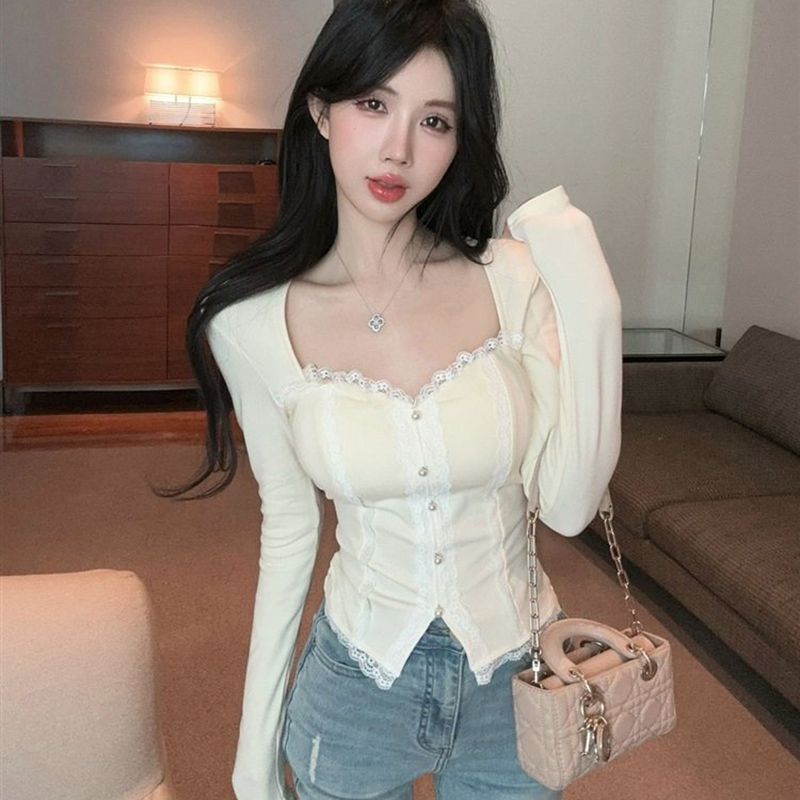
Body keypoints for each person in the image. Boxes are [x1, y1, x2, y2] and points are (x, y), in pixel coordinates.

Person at [158, 1, 622, 798]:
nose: (399, 149)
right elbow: (290, 529)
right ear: (320, 110)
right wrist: (250, 757)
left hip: (518, 685)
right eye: (374, 103)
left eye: (434, 120)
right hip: (356, 694)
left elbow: (571, 504)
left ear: (461, 138)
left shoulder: (513, 280)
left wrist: (593, 300)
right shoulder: (250, 322)